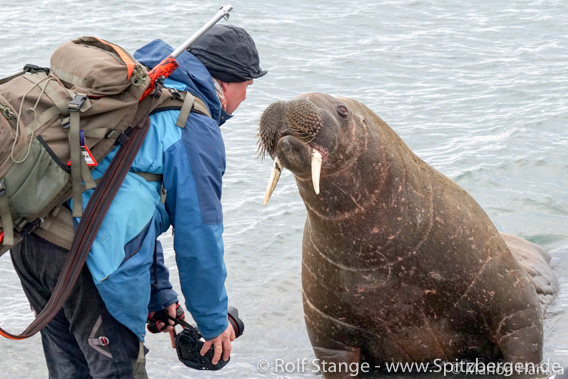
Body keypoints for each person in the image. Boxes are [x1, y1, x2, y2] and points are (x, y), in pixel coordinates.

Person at [10, 24, 266, 378]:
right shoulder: (193, 125)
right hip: (87, 263)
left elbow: (123, 195)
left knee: (69, 372)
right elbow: (198, 238)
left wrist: (159, 293)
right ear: (223, 82)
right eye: (247, 85)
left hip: (34, 242)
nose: (246, 97)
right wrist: (212, 322)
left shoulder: (142, 92)